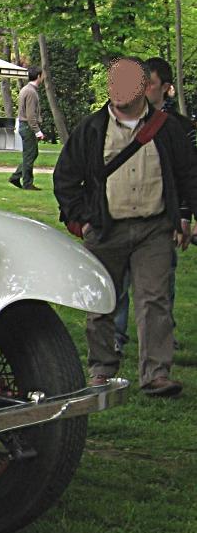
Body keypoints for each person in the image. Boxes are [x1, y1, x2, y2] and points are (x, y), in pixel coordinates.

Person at [53, 57, 197, 397]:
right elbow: (66, 179)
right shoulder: (91, 129)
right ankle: (101, 369)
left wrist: (184, 216)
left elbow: (187, 174)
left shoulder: (169, 128)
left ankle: (156, 374)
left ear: (144, 87)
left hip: (154, 229)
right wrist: (83, 222)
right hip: (106, 229)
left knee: (155, 302)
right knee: (101, 302)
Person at [112, 57, 195, 353]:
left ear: (166, 88)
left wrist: (184, 217)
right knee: (116, 286)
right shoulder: (115, 121)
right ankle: (115, 340)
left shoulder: (180, 128)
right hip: (117, 217)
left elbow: (187, 175)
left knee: (158, 289)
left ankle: (160, 342)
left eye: (150, 84)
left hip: (160, 219)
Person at [9, 66, 46, 190]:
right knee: (30, 155)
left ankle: (17, 177)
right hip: (28, 127)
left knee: (30, 154)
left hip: (24, 125)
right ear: (38, 76)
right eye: (42, 75)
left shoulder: (26, 89)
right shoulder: (31, 92)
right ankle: (27, 183)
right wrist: (37, 131)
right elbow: (30, 115)